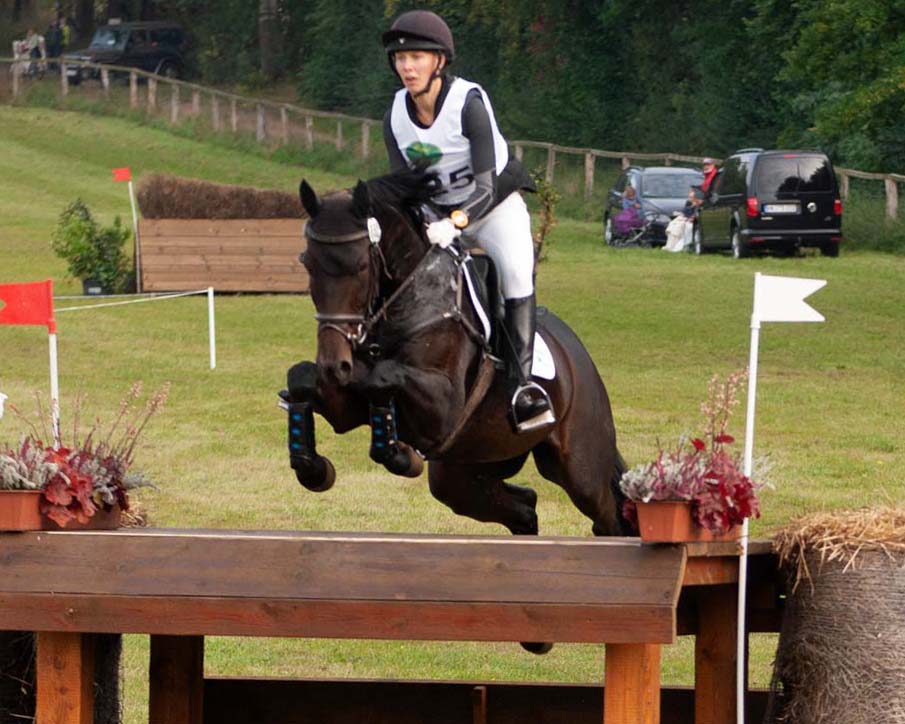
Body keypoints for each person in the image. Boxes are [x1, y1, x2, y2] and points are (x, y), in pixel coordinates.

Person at [381, 10, 554, 433]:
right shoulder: (396, 117)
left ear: (439, 61)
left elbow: (484, 186)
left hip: (494, 208)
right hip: (438, 218)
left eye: (417, 57)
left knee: (515, 275)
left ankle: (523, 388)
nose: (407, 66)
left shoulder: (469, 104)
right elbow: (404, 187)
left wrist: (455, 224)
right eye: (400, 59)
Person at [663, 188, 701, 252]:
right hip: (686, 219)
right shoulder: (689, 203)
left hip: (693, 222)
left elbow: (696, 214)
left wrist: (692, 216)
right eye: (690, 197)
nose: (691, 199)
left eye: (692, 197)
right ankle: (670, 245)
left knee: (684, 227)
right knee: (674, 224)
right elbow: (685, 212)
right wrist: (692, 206)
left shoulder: (699, 204)